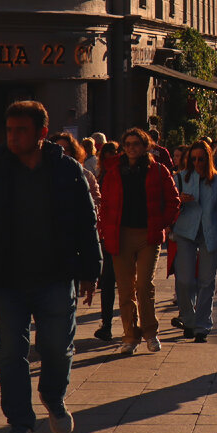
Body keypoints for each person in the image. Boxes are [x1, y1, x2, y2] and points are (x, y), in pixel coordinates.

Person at [0, 101, 100, 433]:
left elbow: (87, 222)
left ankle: (53, 396)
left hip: (55, 276)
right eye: (9, 130)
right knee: (11, 353)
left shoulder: (67, 171)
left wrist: (90, 272)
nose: (13, 136)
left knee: (55, 346)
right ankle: (21, 426)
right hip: (7, 280)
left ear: (40, 133)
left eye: (21, 130)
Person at [97, 128, 180, 355]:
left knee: (144, 285)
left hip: (147, 235)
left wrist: (162, 222)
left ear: (145, 147)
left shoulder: (158, 170)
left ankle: (150, 332)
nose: (132, 148)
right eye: (128, 144)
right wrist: (104, 228)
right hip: (120, 234)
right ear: (123, 147)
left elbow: (173, 200)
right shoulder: (114, 171)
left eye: (136, 144)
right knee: (125, 290)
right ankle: (130, 335)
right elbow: (105, 204)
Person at [171, 140, 217, 342]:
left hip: (209, 233)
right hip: (186, 232)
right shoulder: (180, 178)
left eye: (201, 159)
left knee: (207, 281)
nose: (197, 162)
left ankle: (202, 325)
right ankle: (188, 319)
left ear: (208, 159)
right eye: (194, 159)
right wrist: (179, 201)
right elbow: (170, 207)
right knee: (184, 280)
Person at [92, 141, 119, 342]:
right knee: (108, 279)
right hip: (109, 232)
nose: (112, 157)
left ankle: (132, 323)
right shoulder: (102, 174)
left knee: (130, 282)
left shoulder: (121, 172)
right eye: (108, 154)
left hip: (126, 232)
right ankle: (107, 323)